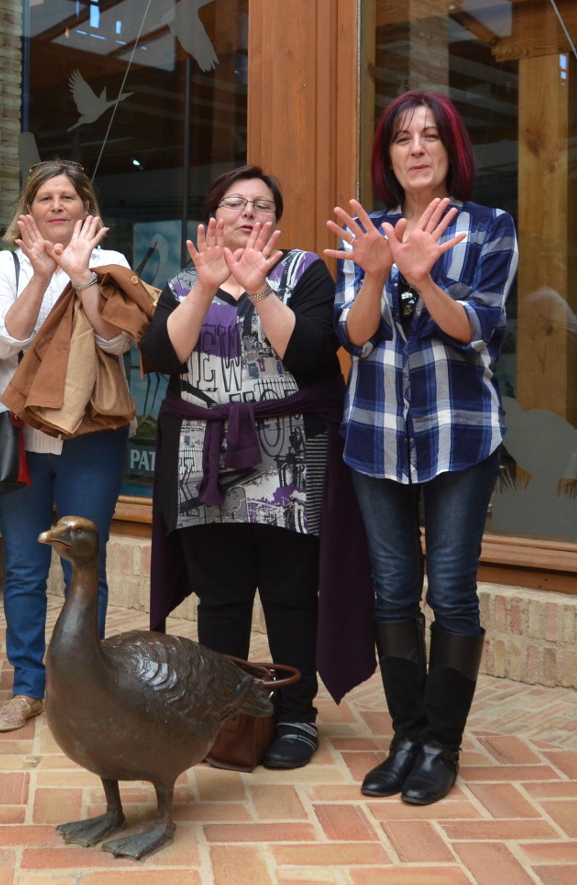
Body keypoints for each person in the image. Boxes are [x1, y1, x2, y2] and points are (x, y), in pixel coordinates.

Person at [325, 91, 518, 804]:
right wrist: (376, 271)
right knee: (394, 589)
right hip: (376, 434)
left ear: (451, 150)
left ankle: (442, 744)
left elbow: (477, 330)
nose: (416, 147)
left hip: (460, 435)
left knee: (453, 591)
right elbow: (354, 335)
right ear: (388, 154)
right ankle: (405, 736)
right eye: (403, 137)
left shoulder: (490, 227)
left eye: (430, 136)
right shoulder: (368, 230)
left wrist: (422, 275)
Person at [140, 165, 344, 769]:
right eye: (236, 203)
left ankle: (296, 716)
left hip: (290, 457)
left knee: (289, 594)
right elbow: (160, 356)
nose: (249, 213)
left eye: (262, 205)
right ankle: (226, 715)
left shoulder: (304, 272)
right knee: (220, 597)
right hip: (202, 460)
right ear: (214, 219)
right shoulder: (184, 282)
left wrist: (259, 289)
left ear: (276, 220)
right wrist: (206, 289)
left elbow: (310, 352)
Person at [0, 159, 153, 732]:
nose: (57, 206)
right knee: (26, 568)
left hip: (91, 438)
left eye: (67, 198)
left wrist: (80, 278)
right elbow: (4, 343)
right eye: (45, 198)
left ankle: (83, 686)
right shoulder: (5, 262)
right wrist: (37, 274)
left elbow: (116, 344)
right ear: (27, 212)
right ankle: (28, 686)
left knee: (86, 569)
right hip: (22, 438)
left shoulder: (111, 263)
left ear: (86, 208)